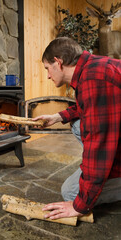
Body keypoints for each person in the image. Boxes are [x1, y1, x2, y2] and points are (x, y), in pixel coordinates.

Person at [33, 37, 121, 219]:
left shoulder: (94, 80)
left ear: (58, 62)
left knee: (71, 194)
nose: (48, 76)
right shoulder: (94, 67)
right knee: (78, 125)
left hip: (108, 145)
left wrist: (80, 206)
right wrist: (57, 117)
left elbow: (99, 146)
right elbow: (88, 108)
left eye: (47, 69)